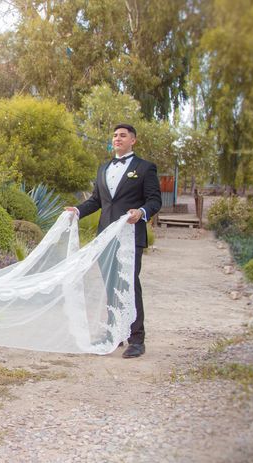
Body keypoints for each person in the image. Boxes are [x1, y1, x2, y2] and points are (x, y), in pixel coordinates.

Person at [66, 124, 162, 358]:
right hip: (106, 237)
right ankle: (113, 334)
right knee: (110, 285)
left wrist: (141, 212)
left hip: (130, 237)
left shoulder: (145, 168)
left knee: (129, 285)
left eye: (123, 135)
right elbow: (97, 201)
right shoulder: (103, 168)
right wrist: (77, 211)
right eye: (115, 135)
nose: (117, 138)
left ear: (133, 141)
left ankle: (137, 339)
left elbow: (154, 200)